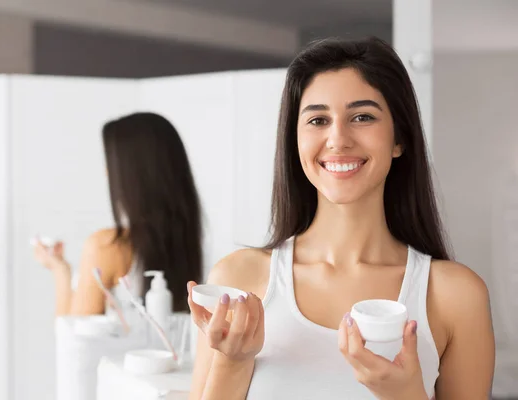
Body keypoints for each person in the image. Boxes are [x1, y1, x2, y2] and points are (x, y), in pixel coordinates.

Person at [187, 37, 495, 399]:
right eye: (318, 119)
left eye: (362, 117)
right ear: (295, 141)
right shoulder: (238, 281)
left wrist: (404, 393)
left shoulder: (455, 296)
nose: (337, 139)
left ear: (399, 139)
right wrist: (233, 362)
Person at [34, 112, 203, 316]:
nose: (107, 172)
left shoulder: (107, 246)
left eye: (111, 164)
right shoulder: (191, 244)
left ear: (130, 174)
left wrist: (60, 272)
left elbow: (72, 339)